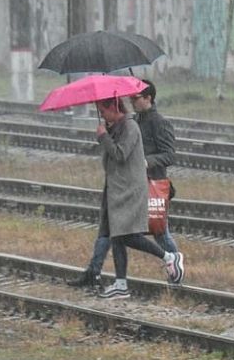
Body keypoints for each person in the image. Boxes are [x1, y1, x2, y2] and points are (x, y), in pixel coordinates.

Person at [68, 80, 179, 288]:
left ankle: (174, 263)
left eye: (136, 98)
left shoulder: (158, 122)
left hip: (150, 182)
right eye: (131, 98)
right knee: (111, 230)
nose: (132, 101)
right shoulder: (132, 121)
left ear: (149, 98)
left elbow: (169, 155)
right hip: (126, 182)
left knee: (158, 231)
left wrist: (146, 162)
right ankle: (97, 272)